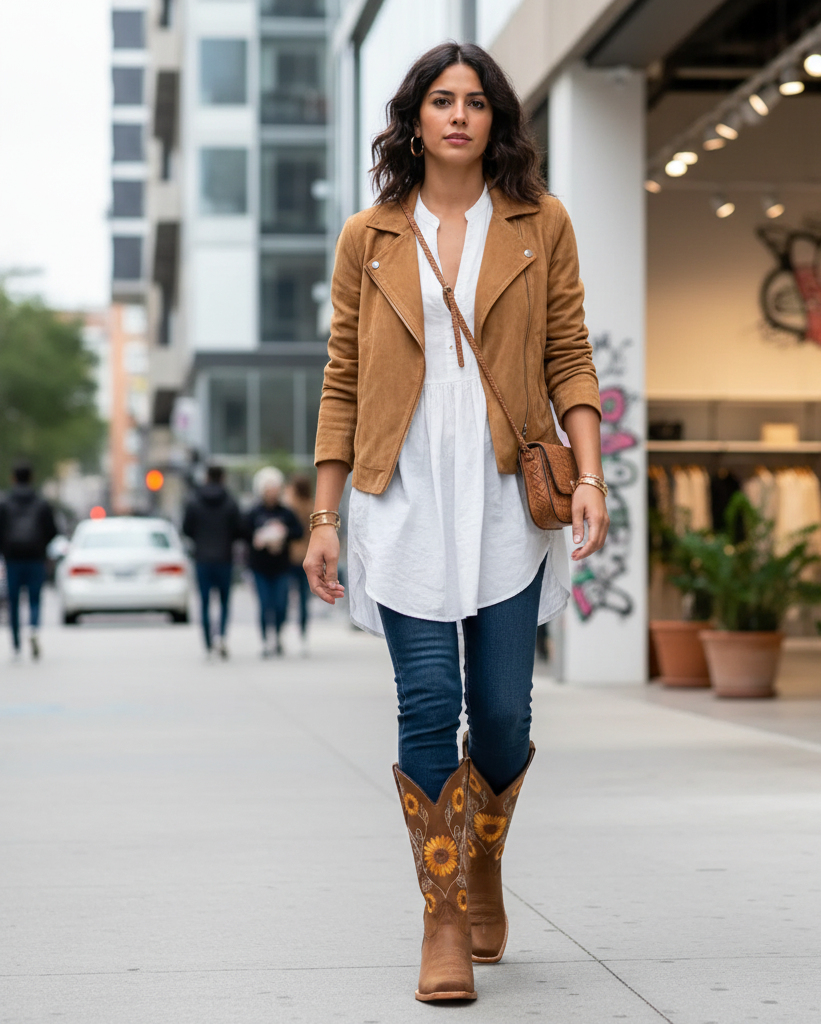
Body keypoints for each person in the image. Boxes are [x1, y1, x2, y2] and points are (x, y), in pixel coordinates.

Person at [303, 43, 608, 1003]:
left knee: (507, 717)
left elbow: (569, 352)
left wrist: (590, 473)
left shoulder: (537, 222)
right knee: (430, 705)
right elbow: (343, 377)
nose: (460, 116)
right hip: (402, 499)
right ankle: (441, 916)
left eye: (476, 101)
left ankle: (483, 856)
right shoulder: (370, 236)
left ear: (496, 120)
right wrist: (325, 507)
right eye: (442, 100)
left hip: (504, 504)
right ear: (416, 118)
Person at [182, 465, 243, 659]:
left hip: (202, 559)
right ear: (223, 478)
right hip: (224, 557)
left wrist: (200, 541)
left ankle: (208, 642)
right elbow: (240, 529)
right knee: (225, 601)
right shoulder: (231, 501)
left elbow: (186, 528)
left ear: (206, 477)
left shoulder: (194, 500)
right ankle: (222, 637)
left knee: (205, 602)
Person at [0, 462, 58, 660]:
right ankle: (33, 629)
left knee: (14, 601)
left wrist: (5, 550)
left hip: (13, 558)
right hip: (35, 558)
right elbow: (52, 531)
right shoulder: (41, 503)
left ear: (13, 478)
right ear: (31, 478)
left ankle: (16, 643)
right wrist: (42, 547)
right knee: (34, 598)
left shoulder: (5, 503)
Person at [244, 466, 302, 658]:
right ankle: (264, 640)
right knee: (264, 603)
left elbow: (299, 532)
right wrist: (258, 538)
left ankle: (277, 635)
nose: (272, 493)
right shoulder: (254, 512)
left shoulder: (286, 513)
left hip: (281, 566)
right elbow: (243, 533)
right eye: (268, 489)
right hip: (260, 566)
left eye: (275, 489)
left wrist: (283, 532)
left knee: (280, 604)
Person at [283, 474, 315, 655]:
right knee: (304, 599)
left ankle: (283, 632)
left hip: (291, 557)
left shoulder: (291, 506)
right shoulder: (313, 506)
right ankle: (303, 636)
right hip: (308, 557)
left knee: (286, 597)